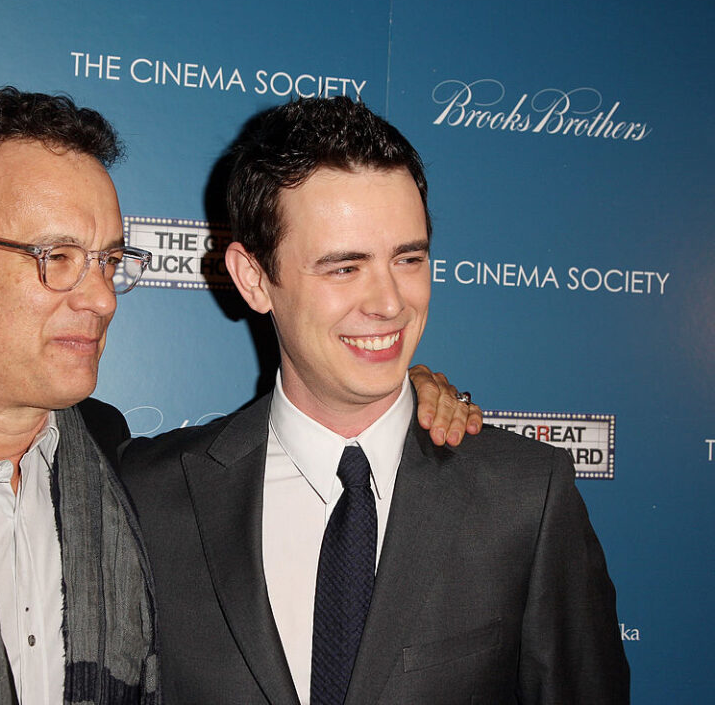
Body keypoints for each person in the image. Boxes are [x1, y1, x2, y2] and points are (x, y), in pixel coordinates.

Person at [0, 88, 477, 704]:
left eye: (110, 260)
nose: (99, 297)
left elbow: (275, 443)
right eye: (55, 257)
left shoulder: (119, 465)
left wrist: (392, 391)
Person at [116, 97, 630, 705]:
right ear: (254, 278)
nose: (389, 302)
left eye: (408, 259)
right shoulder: (148, 495)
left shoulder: (525, 498)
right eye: (344, 268)